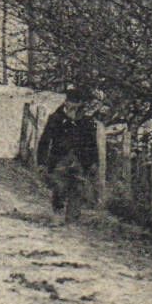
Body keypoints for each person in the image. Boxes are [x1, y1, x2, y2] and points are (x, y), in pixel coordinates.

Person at [37, 86, 98, 220]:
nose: (74, 105)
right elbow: (45, 141)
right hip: (59, 158)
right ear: (66, 102)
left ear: (81, 104)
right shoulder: (56, 118)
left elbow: (92, 144)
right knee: (59, 185)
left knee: (78, 187)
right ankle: (57, 212)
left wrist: (93, 162)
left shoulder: (87, 121)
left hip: (80, 160)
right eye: (71, 101)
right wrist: (41, 162)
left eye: (78, 102)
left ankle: (72, 218)